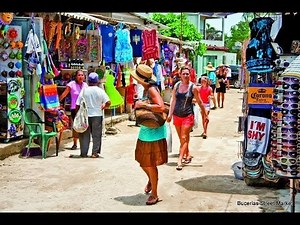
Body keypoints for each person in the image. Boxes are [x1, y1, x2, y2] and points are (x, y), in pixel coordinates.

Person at [130, 64, 168, 205]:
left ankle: (155, 194)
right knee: (143, 162)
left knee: (150, 164)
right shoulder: (148, 89)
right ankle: (152, 181)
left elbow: (161, 107)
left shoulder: (152, 89)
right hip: (147, 129)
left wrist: (143, 105)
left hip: (154, 132)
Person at [167, 66, 207, 171]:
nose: (186, 75)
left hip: (188, 116)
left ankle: (179, 160)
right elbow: (173, 100)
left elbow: (199, 101)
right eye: (183, 74)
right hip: (176, 115)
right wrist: (170, 114)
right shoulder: (176, 85)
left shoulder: (193, 88)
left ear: (190, 75)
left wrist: (205, 114)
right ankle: (187, 154)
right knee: (182, 138)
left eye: (187, 74)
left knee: (184, 137)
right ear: (180, 75)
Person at [75, 72, 111, 158]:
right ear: (97, 81)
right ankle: (95, 153)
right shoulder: (100, 91)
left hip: (85, 116)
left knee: (84, 134)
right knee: (97, 135)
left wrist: (77, 114)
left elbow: (77, 104)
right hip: (97, 115)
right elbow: (108, 102)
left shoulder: (84, 90)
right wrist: (104, 106)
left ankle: (84, 153)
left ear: (88, 80)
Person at [59, 69, 88, 150]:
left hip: (84, 109)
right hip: (74, 108)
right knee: (75, 126)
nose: (81, 77)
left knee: (84, 125)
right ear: (75, 76)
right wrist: (57, 102)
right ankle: (75, 143)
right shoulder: (71, 84)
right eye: (79, 75)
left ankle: (83, 142)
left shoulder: (86, 85)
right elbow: (64, 94)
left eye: (82, 75)